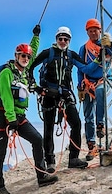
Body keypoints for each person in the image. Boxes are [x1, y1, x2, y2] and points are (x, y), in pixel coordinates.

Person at [0, 42, 59, 194]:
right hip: (3, 116)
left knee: (37, 139)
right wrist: (11, 118)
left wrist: (36, 37)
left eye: (28, 56)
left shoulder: (24, 73)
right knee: (0, 151)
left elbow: (33, 51)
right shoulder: (6, 73)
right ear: (16, 56)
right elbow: (6, 96)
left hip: (19, 115)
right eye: (23, 55)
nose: (26, 58)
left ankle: (42, 176)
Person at [30, 26, 91, 170]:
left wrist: (102, 56)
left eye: (66, 39)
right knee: (49, 127)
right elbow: (30, 67)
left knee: (76, 123)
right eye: (60, 39)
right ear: (56, 39)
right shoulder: (48, 53)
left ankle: (74, 159)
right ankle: (50, 161)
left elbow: (86, 68)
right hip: (48, 94)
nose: (63, 41)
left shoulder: (71, 55)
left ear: (69, 40)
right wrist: (37, 88)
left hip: (65, 94)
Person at [77, 18, 112, 161]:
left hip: (104, 80)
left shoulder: (105, 45)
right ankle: (91, 146)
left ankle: (100, 124)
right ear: (87, 32)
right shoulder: (84, 49)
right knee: (88, 115)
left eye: (95, 30)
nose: (93, 33)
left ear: (100, 31)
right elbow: (81, 69)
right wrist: (80, 84)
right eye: (90, 31)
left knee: (101, 92)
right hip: (88, 82)